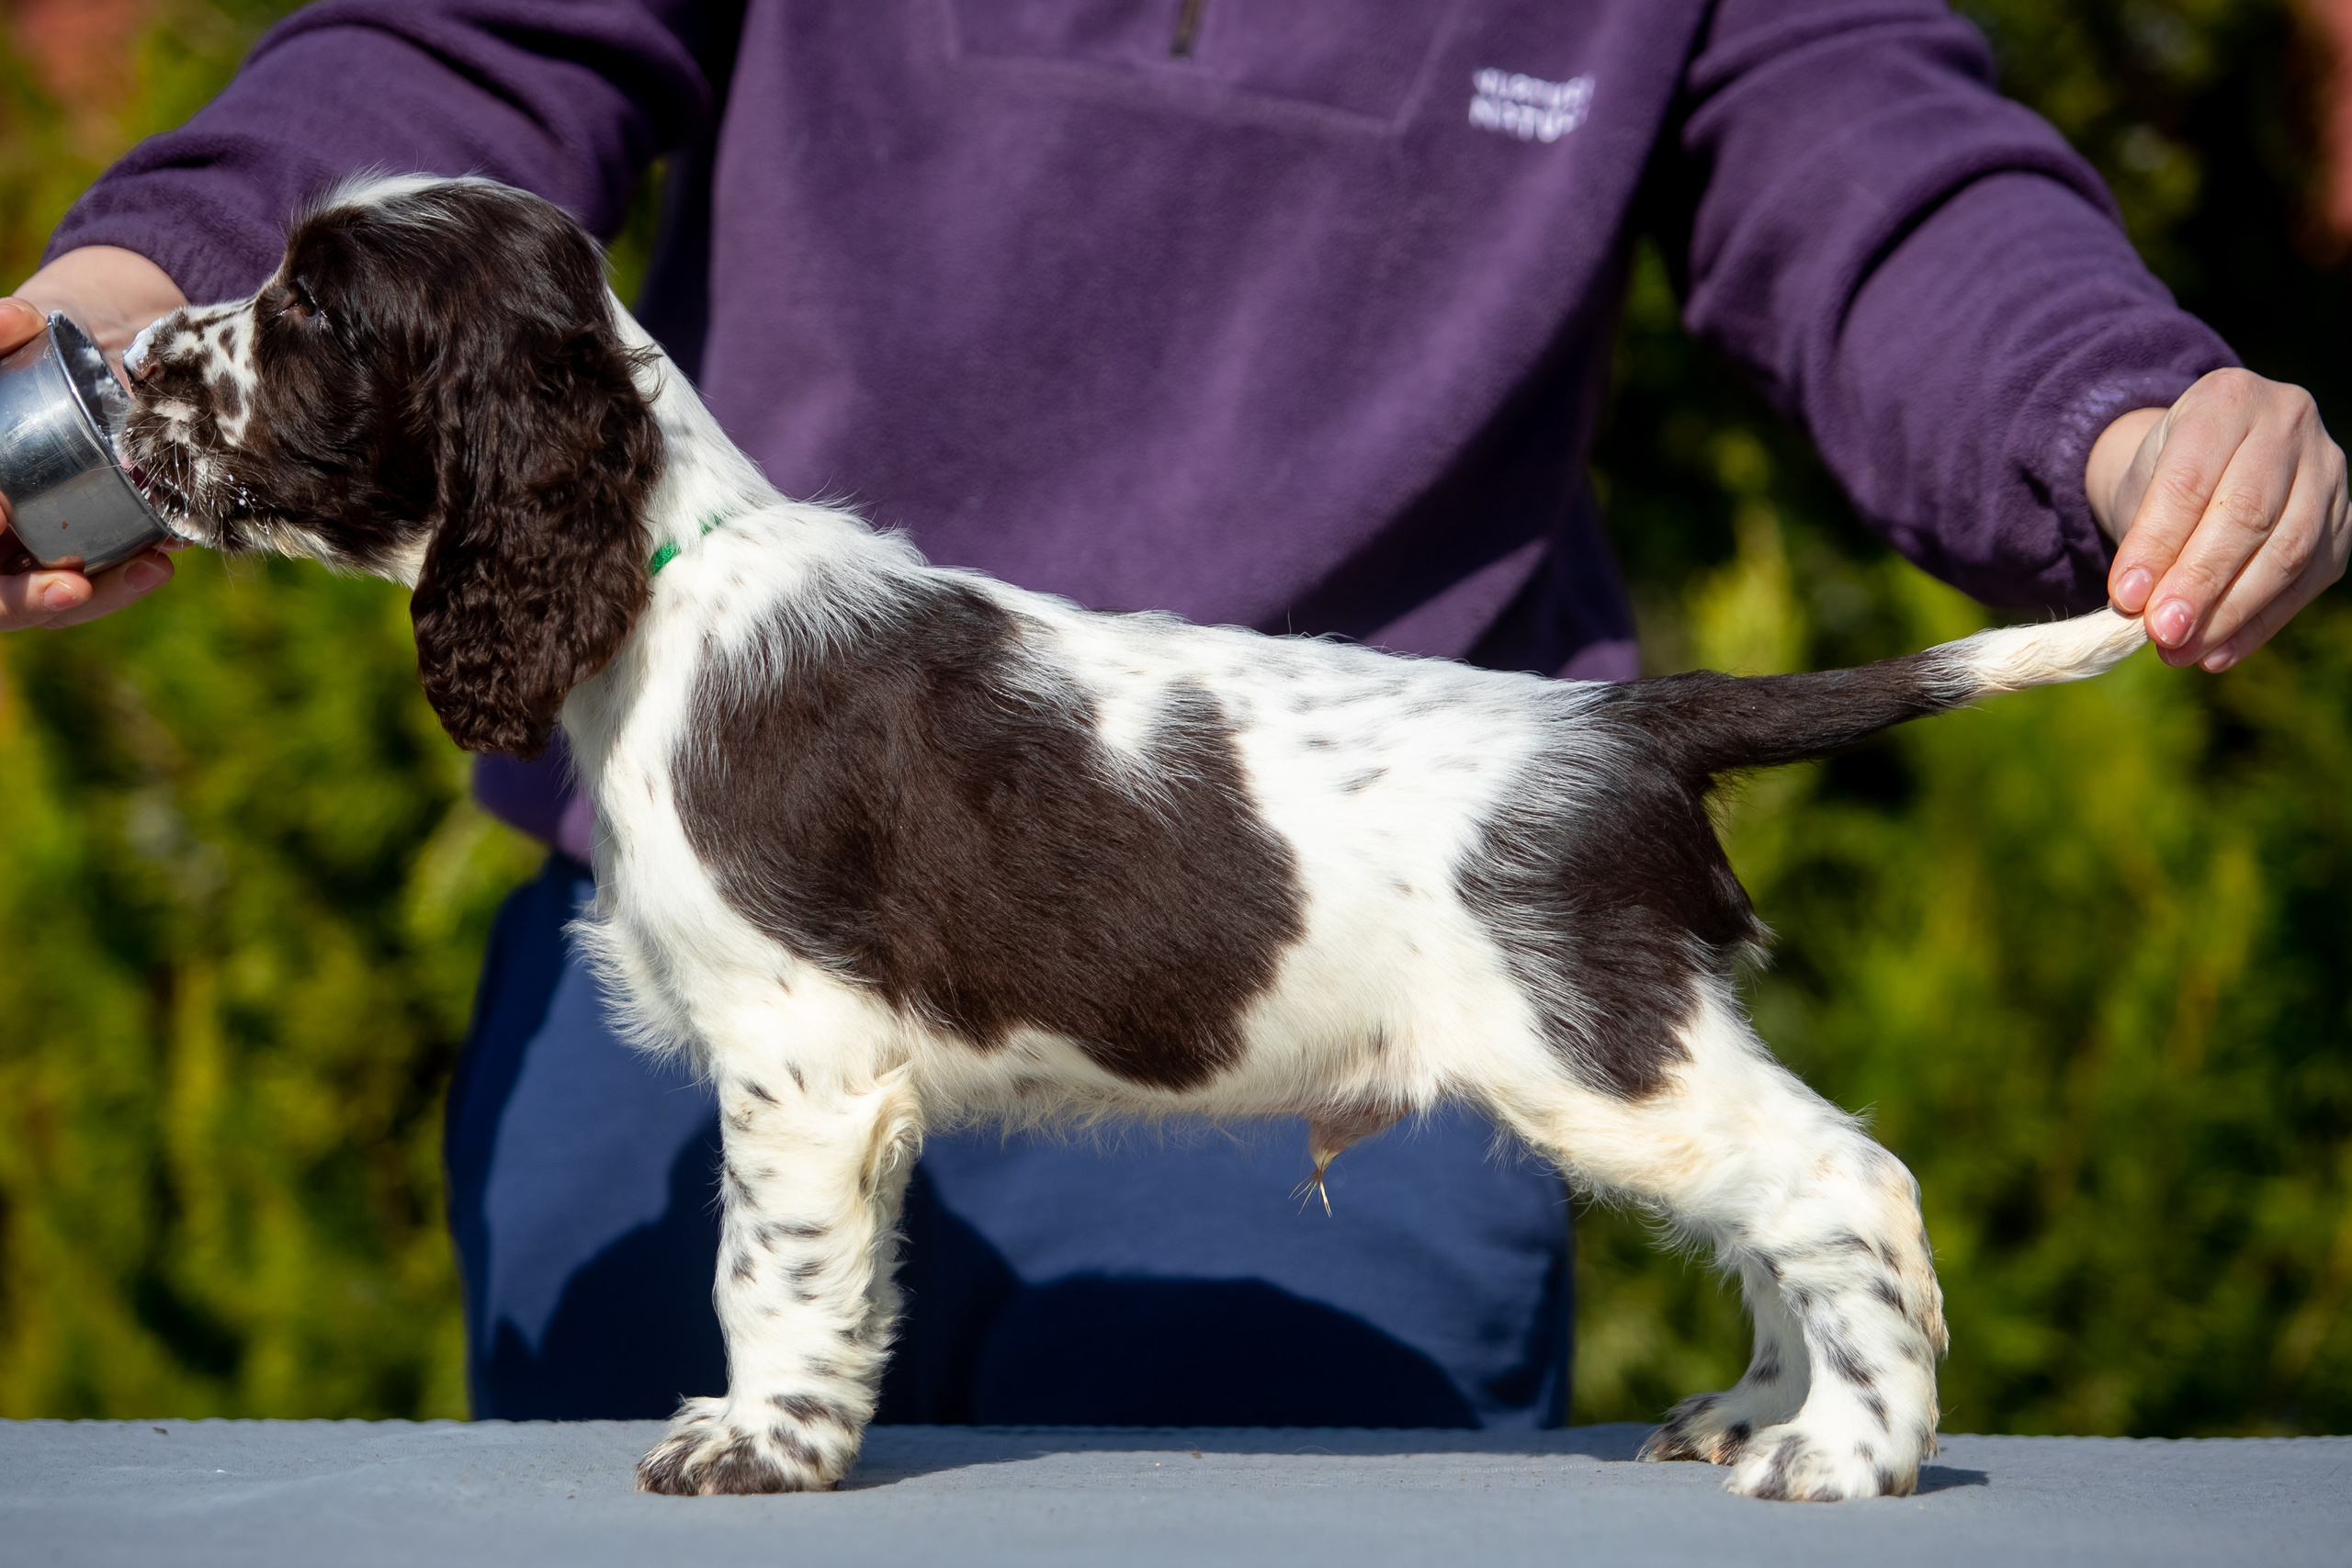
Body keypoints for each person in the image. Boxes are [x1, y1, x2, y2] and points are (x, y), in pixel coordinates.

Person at [5, 0, 2343, 1426]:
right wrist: (132, 301)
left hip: (1329, 958)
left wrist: (2113, 414)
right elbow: (470, 41)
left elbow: (1871, 166)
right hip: (699, 972)